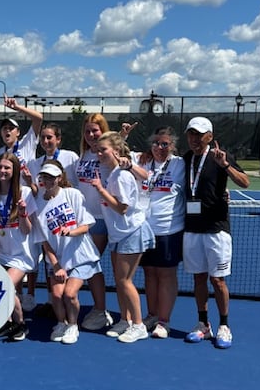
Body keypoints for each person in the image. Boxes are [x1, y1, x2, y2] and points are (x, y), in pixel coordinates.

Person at [182, 117, 250, 349]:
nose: (194, 139)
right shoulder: (186, 158)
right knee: (199, 278)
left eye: (199, 135)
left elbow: (245, 183)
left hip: (217, 230)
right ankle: (203, 324)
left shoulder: (221, 156)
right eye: (191, 134)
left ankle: (224, 326)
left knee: (217, 280)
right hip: (192, 229)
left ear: (209, 136)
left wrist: (226, 166)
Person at [92, 131, 155, 343]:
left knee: (124, 280)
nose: (99, 153)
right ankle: (125, 321)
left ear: (116, 151)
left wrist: (101, 190)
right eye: (98, 150)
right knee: (119, 281)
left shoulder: (123, 176)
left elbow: (122, 209)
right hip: (119, 234)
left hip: (132, 232)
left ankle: (138, 325)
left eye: (104, 150)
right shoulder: (114, 172)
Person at [32, 160, 101, 344]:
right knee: (56, 295)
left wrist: (70, 232)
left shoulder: (73, 195)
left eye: (51, 177)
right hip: (58, 259)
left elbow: (85, 225)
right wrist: (56, 265)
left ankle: (72, 326)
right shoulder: (37, 206)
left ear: (59, 178)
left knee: (69, 294)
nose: (47, 181)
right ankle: (61, 323)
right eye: (44, 177)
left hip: (80, 255)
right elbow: (45, 242)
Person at [0, 153, 37, 341]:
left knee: (6, 285)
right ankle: (10, 322)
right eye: (0, 167)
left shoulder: (24, 193)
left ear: (15, 170)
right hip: (3, 253)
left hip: (23, 254)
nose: (2, 171)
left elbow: (27, 230)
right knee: (1, 287)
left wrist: (22, 213)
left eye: (7, 168)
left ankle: (19, 324)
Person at [23, 122, 80, 312]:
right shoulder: (34, 163)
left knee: (65, 258)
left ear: (58, 139)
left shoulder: (70, 157)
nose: (46, 141)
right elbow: (36, 190)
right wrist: (27, 182)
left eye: (50, 137)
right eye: (43, 138)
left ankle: (67, 299)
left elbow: (75, 185)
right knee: (48, 259)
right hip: (40, 217)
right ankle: (50, 300)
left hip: (63, 216)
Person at [135, 126, 186, 339]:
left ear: (172, 146)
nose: (160, 147)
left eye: (165, 144)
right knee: (149, 273)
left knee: (166, 274)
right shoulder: (144, 161)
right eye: (156, 143)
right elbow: (116, 151)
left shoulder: (180, 164)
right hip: (145, 229)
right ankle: (152, 314)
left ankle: (164, 321)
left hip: (169, 230)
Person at [74, 113, 114, 330]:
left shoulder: (106, 154)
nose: (91, 135)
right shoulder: (83, 155)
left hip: (101, 219)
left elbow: (124, 158)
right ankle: (98, 308)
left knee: (90, 263)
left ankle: (100, 310)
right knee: (90, 264)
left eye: (95, 131)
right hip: (83, 219)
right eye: (87, 131)